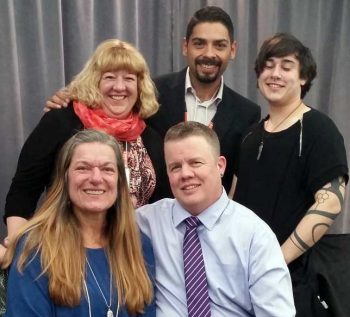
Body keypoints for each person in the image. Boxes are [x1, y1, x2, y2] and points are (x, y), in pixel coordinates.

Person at [44, 6, 261, 193]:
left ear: (232, 50)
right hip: (152, 219)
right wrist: (69, 100)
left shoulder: (248, 112)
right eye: (199, 44)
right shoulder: (149, 92)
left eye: (220, 45)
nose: (209, 53)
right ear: (185, 46)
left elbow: (239, 180)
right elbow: (105, 108)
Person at [3, 39, 170, 251]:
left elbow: (163, 206)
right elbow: (24, 190)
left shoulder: (151, 137)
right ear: (94, 81)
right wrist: (17, 247)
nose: (119, 87)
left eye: (129, 79)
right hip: (65, 249)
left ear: (139, 86)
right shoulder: (61, 122)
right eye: (109, 77)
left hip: (132, 254)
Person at [233, 33, 348, 316]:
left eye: (286, 66)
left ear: (303, 77)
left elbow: (330, 202)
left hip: (292, 283)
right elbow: (233, 202)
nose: (275, 74)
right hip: (242, 281)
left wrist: (275, 260)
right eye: (268, 65)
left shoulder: (319, 129)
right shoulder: (249, 134)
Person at [136, 121, 295, 316]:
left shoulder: (254, 235)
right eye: (175, 167)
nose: (185, 174)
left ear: (220, 166)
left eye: (196, 163)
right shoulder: (147, 222)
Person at [2, 129, 155, 316]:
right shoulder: (36, 246)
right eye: (83, 168)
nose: (96, 178)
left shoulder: (138, 244)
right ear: (65, 178)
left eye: (107, 169)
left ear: (119, 181)